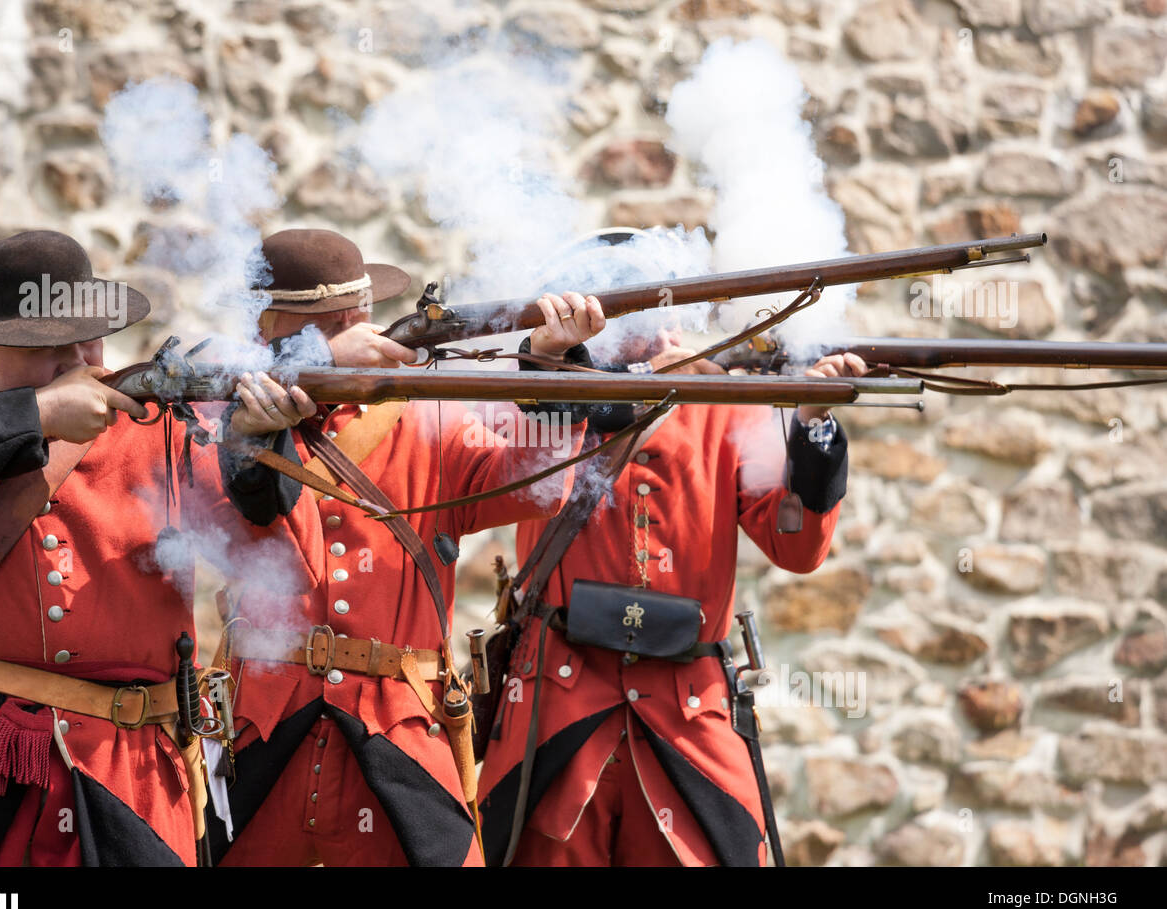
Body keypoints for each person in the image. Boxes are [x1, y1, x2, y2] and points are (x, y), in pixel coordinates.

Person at [0, 230, 314, 865]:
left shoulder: (159, 422)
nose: (81, 358)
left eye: (89, 337)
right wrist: (33, 417)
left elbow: (272, 557)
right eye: (51, 345)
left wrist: (248, 446)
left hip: (127, 775)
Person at [209, 228, 604, 866]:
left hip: (397, 723)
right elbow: (229, 497)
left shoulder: (422, 416)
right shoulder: (228, 411)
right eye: (319, 326)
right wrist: (316, 362)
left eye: (349, 320)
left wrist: (548, 362)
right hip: (265, 723)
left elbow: (535, 487)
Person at [476, 230, 867, 866]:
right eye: (644, 316)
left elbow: (794, 545)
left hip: (691, 707)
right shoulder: (550, 401)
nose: (668, 332)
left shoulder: (725, 403)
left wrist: (810, 425)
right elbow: (535, 458)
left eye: (668, 312)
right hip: (561, 699)